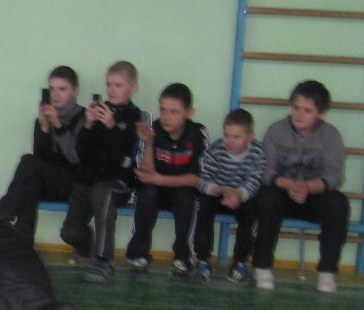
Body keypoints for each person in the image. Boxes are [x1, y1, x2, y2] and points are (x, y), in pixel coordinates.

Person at [251, 80, 348, 293]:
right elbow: (265, 171)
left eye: (307, 110)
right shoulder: (276, 131)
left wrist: (307, 187)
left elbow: (334, 175)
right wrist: (290, 185)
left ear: (321, 113)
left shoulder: (331, 135)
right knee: (266, 198)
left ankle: (327, 272)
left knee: (338, 203)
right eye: (296, 107)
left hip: (314, 195)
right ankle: (262, 266)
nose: (299, 114)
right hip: (282, 192)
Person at [58, 60, 142, 283]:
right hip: (89, 179)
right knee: (69, 232)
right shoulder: (98, 111)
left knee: (102, 193)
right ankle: (87, 245)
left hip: (118, 182)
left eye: (118, 85)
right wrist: (87, 124)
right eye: (109, 84)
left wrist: (112, 126)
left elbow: (125, 153)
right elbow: (81, 153)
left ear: (133, 87)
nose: (112, 90)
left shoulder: (134, 116)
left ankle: (104, 260)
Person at [124, 82, 209, 278]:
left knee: (187, 199)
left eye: (174, 112)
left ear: (189, 113)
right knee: (146, 193)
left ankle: (183, 256)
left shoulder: (198, 134)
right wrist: (148, 142)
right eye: (163, 110)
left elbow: (196, 179)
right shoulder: (152, 130)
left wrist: (160, 179)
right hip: (156, 188)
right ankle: (138, 252)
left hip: (182, 188)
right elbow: (146, 174)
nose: (167, 116)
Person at [0, 65, 85, 242]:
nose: (55, 94)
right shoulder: (44, 118)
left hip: (74, 184)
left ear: (75, 91)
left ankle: (1, 216)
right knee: (31, 181)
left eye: (62, 89)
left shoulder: (84, 117)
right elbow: (41, 159)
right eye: (52, 89)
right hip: (50, 182)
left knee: (28, 161)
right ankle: (22, 243)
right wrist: (44, 128)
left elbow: (76, 158)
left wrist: (58, 127)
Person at [193, 108, 266, 284]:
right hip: (218, 192)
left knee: (251, 212)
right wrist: (219, 190)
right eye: (226, 135)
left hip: (242, 194)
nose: (229, 141)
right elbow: (202, 179)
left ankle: (240, 262)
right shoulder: (216, 149)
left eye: (236, 137)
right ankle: (203, 259)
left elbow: (255, 182)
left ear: (249, 136)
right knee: (203, 207)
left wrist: (238, 195)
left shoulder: (257, 152)